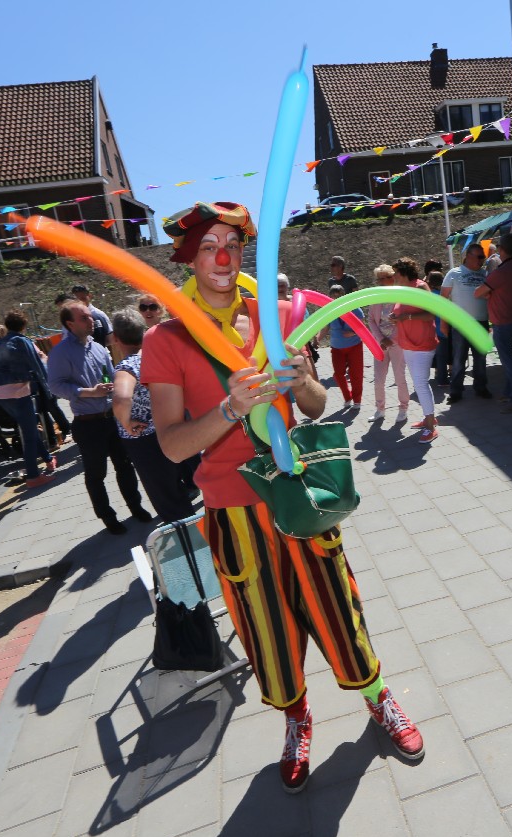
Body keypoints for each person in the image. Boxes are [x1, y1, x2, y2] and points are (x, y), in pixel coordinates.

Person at [142, 201, 423, 795]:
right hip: (233, 510)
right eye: (209, 246)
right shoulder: (166, 339)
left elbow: (317, 407)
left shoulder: (273, 315)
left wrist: (306, 381)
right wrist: (230, 409)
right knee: (263, 623)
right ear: (189, 257)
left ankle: (377, 696)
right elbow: (170, 445)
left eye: (232, 245)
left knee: (337, 604)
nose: (223, 257)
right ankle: (297, 718)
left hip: (297, 493)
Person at [48, 300, 150, 534]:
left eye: (90, 316)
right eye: (84, 318)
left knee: (125, 466)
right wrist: (88, 392)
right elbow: (55, 385)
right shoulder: (60, 352)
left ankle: (136, 507)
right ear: (70, 324)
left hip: (111, 418)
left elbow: (111, 375)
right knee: (96, 474)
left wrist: (115, 387)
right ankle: (108, 517)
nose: (91, 321)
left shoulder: (98, 347)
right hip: (88, 422)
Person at [109, 307, 195, 523]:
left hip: (144, 439)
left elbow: (121, 398)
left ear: (116, 338)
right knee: (178, 487)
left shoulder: (127, 367)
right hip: (172, 427)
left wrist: (126, 422)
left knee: (166, 495)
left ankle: (187, 534)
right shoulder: (158, 357)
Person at [0, 309, 56, 489]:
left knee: (30, 428)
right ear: (24, 325)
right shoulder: (22, 341)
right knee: (28, 436)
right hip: (19, 394)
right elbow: (37, 366)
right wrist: (49, 389)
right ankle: (33, 477)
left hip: (2, 396)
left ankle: (48, 459)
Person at [390, 257, 439, 443]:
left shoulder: (420, 287)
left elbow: (431, 313)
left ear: (403, 272)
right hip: (408, 343)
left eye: (396, 272)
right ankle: (429, 418)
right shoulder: (402, 289)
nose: (394, 275)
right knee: (419, 383)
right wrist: (395, 317)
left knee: (420, 384)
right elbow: (401, 312)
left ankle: (430, 427)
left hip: (422, 343)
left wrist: (406, 317)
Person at [474, 234, 512, 413]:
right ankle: (509, 392)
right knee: (509, 358)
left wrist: (489, 294)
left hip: (502, 321)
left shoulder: (501, 272)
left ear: (501, 250)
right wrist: (491, 294)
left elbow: (478, 293)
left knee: (508, 361)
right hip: (511, 318)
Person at [441, 243, 492, 403]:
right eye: (479, 256)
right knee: (458, 359)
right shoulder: (454, 273)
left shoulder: (486, 274)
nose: (482, 260)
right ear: (468, 256)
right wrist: (443, 323)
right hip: (461, 324)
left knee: (481, 359)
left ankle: (481, 387)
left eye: (483, 257)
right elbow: (443, 300)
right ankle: (456, 391)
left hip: (481, 323)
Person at [366, 263, 410, 423]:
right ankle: (380, 409)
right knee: (378, 379)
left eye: (384, 278)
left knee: (399, 377)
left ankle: (403, 408)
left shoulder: (401, 295)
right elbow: (371, 319)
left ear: (393, 278)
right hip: (381, 344)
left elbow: (405, 320)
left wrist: (392, 339)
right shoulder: (376, 296)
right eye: (379, 279)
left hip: (397, 343)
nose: (381, 281)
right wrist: (380, 339)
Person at [324, 284, 364, 410]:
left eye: (339, 295)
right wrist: (317, 338)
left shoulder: (355, 309)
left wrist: (352, 333)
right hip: (337, 347)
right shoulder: (329, 309)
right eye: (334, 296)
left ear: (344, 295)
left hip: (354, 346)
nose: (336, 298)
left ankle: (357, 400)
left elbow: (362, 328)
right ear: (330, 297)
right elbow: (326, 326)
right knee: (338, 374)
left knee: (356, 374)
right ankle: (347, 397)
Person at [426, 270, 450, 386]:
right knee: (442, 356)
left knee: (429, 355)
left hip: (430, 331)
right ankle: (443, 380)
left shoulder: (428, 296)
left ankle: (424, 378)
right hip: (442, 330)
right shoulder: (444, 296)